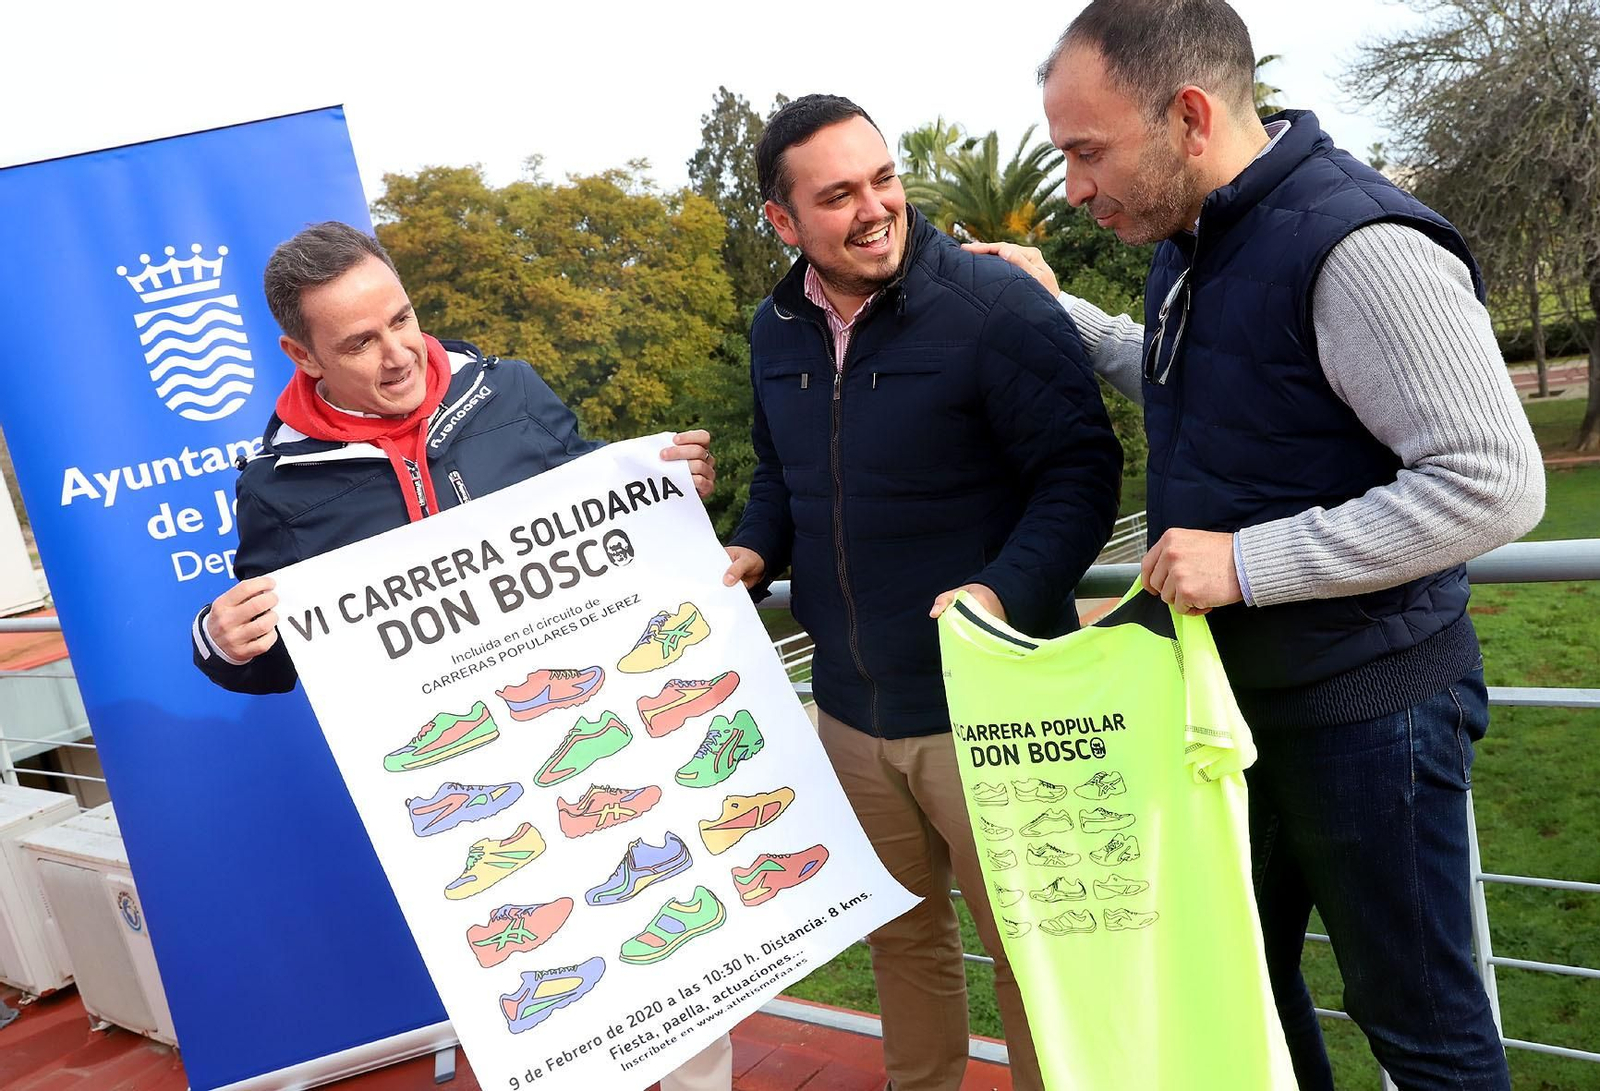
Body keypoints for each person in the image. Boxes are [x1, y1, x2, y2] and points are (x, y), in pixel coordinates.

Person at [975, 2, 1545, 1088]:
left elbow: (1496, 480)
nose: (1074, 188)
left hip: (1371, 710)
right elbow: (1216, 378)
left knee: (1418, 1024)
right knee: (1244, 986)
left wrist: (1244, 563)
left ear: (1186, 116)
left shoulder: (1360, 244)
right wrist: (1061, 313)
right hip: (1240, 710)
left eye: (1085, 151)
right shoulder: (1199, 238)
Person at [191, 221, 731, 1091]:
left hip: (601, 744)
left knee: (686, 996)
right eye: (359, 342)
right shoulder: (277, 486)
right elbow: (274, 657)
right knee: (555, 1016)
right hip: (471, 804)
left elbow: (605, 504)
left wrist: (665, 482)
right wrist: (220, 641)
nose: (398, 352)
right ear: (303, 353)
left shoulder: (510, 390)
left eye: (402, 318)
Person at [723, 95, 1122, 1091]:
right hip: (851, 712)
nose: (875, 208)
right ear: (783, 221)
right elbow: (779, 473)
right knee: (902, 944)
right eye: (839, 195)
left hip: (987, 711)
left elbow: (1081, 473)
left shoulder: (996, 309)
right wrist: (751, 552)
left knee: (1037, 955)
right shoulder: (774, 328)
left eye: (884, 179)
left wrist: (1001, 588)